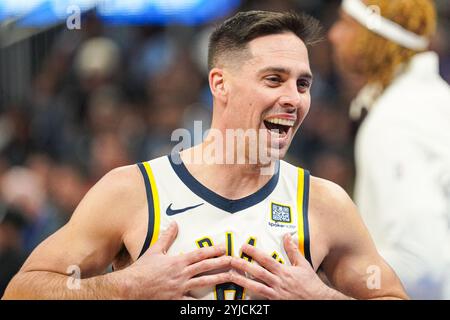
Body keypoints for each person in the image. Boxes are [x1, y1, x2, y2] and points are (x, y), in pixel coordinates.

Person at [3, 10, 407, 300]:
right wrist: (123, 288)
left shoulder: (324, 203)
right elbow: (23, 290)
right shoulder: (132, 192)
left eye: (303, 84)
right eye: (274, 79)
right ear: (220, 84)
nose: (294, 99)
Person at [329, 0, 450, 299]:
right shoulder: (432, 98)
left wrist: (333, 279)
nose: (333, 35)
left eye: (346, 23)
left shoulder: (396, 119)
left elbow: (422, 264)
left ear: (373, 35)